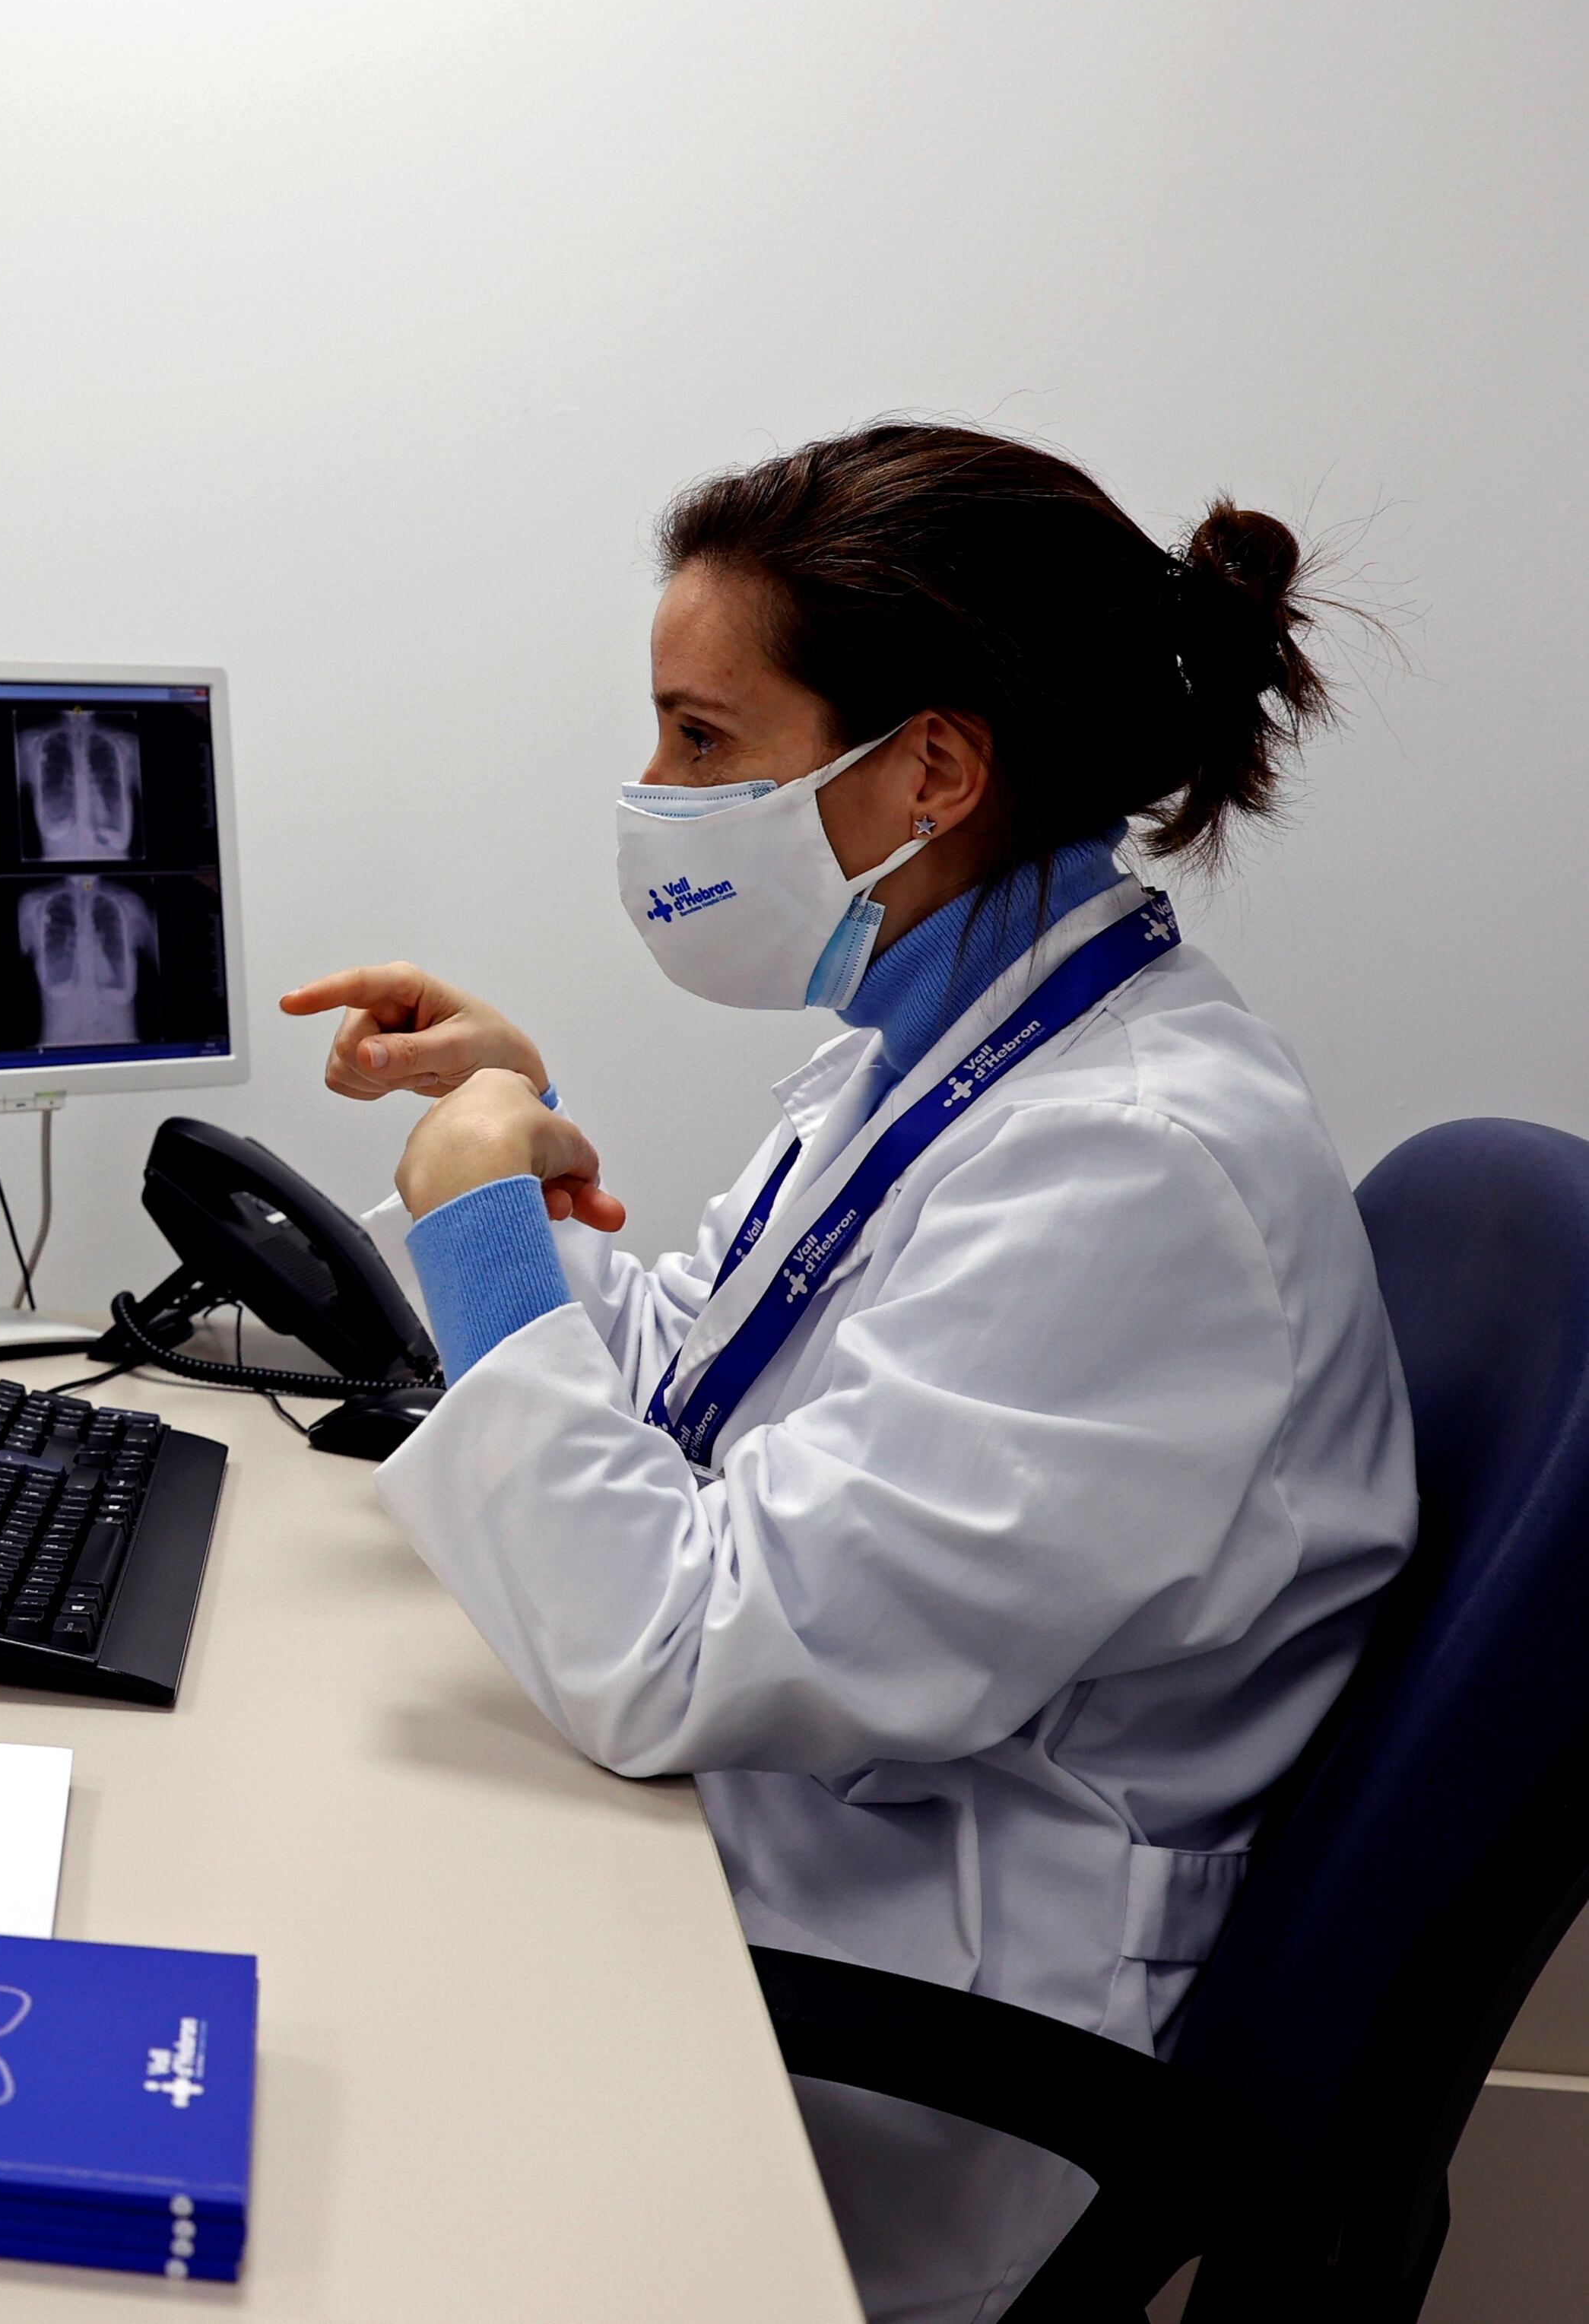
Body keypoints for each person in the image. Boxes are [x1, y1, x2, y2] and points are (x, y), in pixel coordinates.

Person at [289, 424, 1414, 2324]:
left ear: (932, 767)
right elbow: (716, 1407)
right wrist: (529, 1148)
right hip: (811, 1842)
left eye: (702, 740)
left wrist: (481, 1243)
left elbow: (672, 1647)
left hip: (925, 2029)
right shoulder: (944, 1045)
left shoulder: (1135, 1161)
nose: (652, 793)